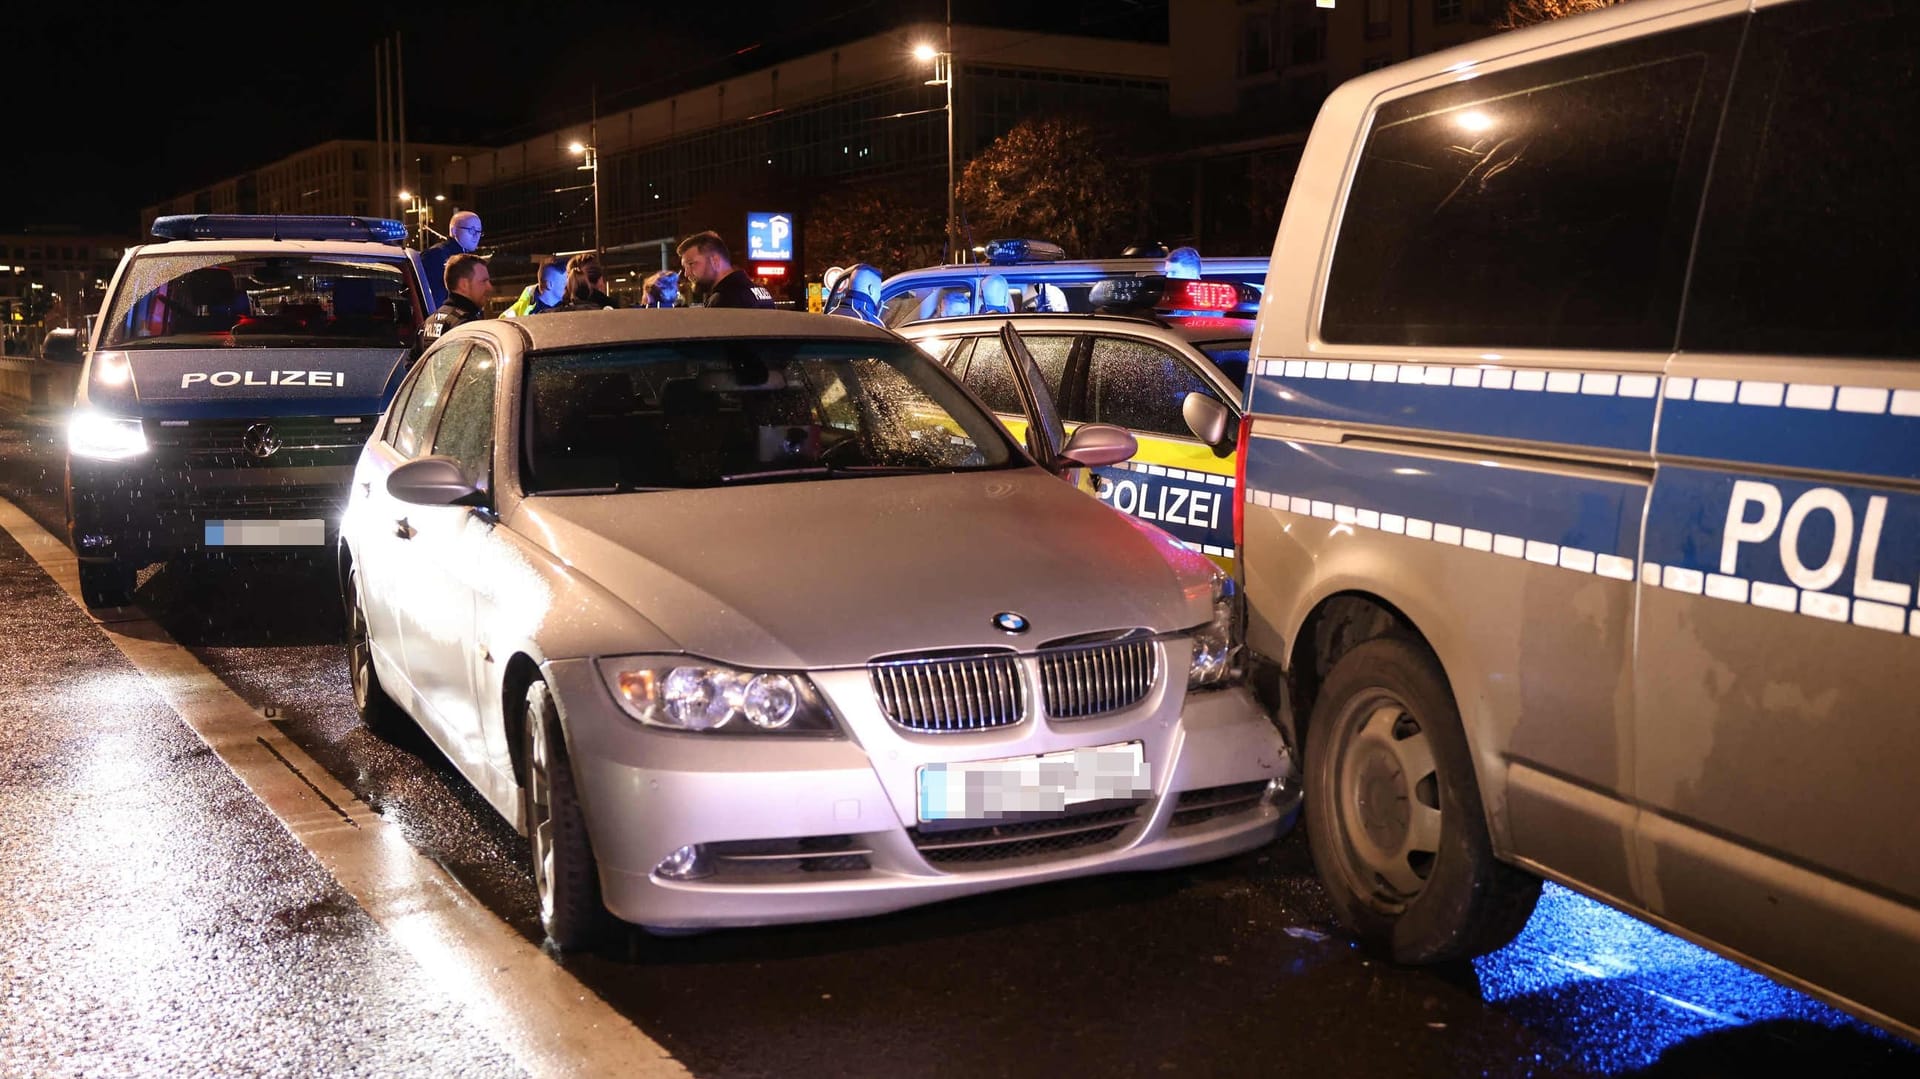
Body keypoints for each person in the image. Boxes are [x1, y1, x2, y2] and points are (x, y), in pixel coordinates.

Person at [677, 231, 773, 309]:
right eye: (685, 267)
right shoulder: (762, 291)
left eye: (691, 264)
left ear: (715, 261)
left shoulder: (722, 300)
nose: (686, 273)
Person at [420, 253, 492, 345]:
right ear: (464, 285)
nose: (489, 287)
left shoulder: (428, 323)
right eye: (484, 281)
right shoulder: (466, 325)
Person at [422, 211, 483, 309]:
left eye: (479, 231)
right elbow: (433, 297)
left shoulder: (469, 259)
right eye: (471, 230)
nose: (476, 236)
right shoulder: (436, 255)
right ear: (454, 231)